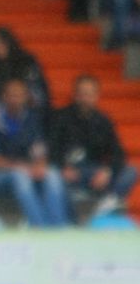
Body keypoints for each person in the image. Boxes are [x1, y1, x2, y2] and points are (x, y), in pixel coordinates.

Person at [0, 78, 70, 228]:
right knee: (20, 176)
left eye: (19, 95)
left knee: (51, 173)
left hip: (25, 170)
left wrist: (40, 166)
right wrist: (22, 167)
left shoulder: (30, 118)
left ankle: (58, 228)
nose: (16, 99)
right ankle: (40, 229)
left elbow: (39, 151)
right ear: (4, 97)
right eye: (12, 95)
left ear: (26, 97)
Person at [48, 74, 136, 217]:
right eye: (82, 94)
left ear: (97, 96)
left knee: (130, 172)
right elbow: (52, 148)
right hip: (70, 172)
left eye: (89, 94)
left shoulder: (103, 121)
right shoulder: (60, 117)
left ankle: (106, 204)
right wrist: (62, 167)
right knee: (53, 177)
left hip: (95, 172)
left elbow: (118, 152)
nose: (85, 99)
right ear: (75, 95)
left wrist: (108, 171)